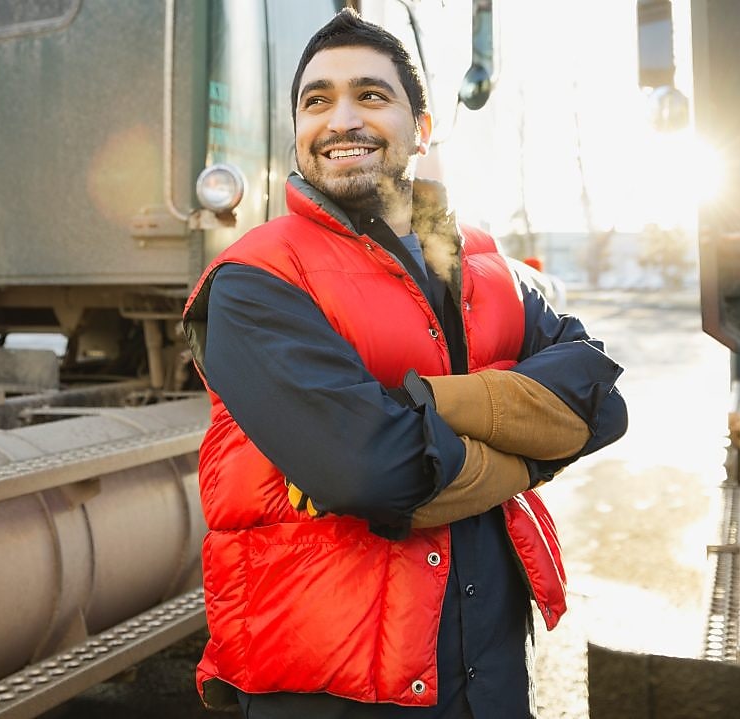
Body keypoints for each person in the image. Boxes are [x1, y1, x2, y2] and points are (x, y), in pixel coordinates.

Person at [181, 9, 627, 718]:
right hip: (335, 686)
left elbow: (601, 403)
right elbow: (372, 471)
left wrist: (423, 407)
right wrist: (529, 452)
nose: (341, 118)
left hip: (488, 672)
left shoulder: (485, 266)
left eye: (371, 95)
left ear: (422, 127)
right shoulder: (256, 279)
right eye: (316, 101)